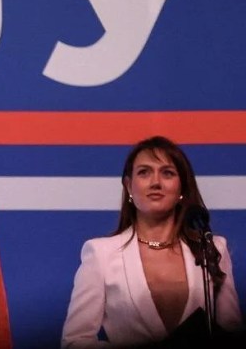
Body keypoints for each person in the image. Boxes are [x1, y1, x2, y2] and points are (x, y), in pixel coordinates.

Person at [61, 136, 244, 348]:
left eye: (167, 173)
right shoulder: (101, 253)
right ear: (129, 186)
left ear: (182, 187)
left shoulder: (211, 247)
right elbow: (74, 341)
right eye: (144, 172)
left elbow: (231, 331)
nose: (156, 182)